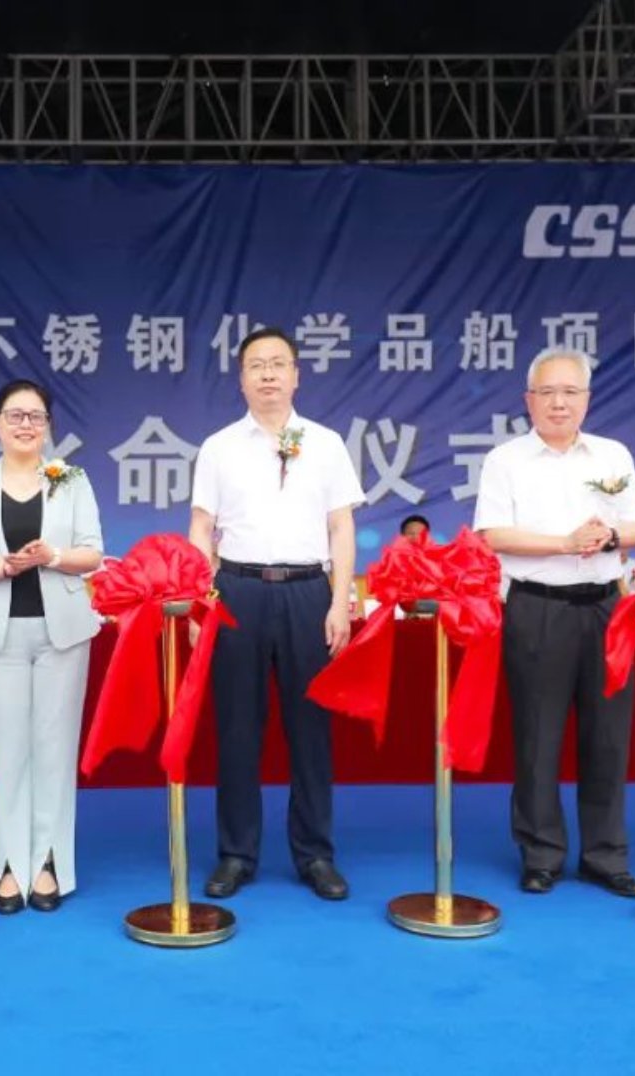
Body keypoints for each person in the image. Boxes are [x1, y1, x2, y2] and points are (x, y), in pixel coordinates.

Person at [188, 327, 363, 901]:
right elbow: (201, 529)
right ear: (241, 379)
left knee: (311, 728)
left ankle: (316, 854)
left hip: (307, 591)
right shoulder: (218, 447)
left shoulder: (327, 443)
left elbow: (341, 526)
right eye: (256, 365)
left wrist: (339, 601)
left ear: (296, 375)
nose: (267, 374)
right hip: (237, 591)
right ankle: (236, 853)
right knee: (237, 727)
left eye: (278, 363)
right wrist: (201, 600)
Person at [473, 348, 635, 898]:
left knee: (609, 736)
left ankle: (606, 855)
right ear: (528, 400)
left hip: (606, 606)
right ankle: (541, 853)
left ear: (587, 400)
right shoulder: (506, 460)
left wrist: (610, 537)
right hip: (537, 606)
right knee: (537, 735)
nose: (558, 403)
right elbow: (493, 535)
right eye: (547, 392)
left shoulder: (613, 454)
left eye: (570, 392)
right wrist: (565, 543)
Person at [0, 380, 103, 914]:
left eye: (36, 416)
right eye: (15, 415)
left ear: (48, 426)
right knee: (6, 752)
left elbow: (93, 554)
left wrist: (51, 555)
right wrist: (4, 567)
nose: (26, 425)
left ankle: (49, 862)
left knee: (55, 750)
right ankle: (9, 866)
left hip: (63, 631)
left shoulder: (71, 480)